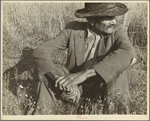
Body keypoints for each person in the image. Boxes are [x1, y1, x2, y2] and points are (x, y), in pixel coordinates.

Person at [33, 3, 136, 114]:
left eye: (114, 17)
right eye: (109, 18)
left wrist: (84, 74)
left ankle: (116, 114)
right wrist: (60, 79)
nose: (114, 22)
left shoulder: (117, 31)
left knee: (120, 72)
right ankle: (43, 114)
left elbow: (128, 53)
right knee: (48, 70)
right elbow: (41, 51)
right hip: (74, 88)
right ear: (91, 20)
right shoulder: (73, 29)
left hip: (101, 87)